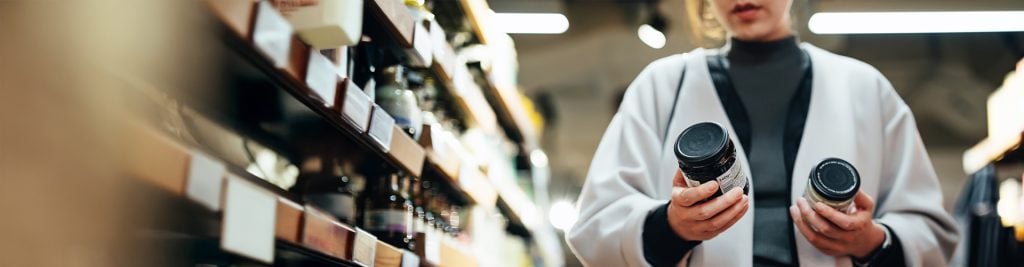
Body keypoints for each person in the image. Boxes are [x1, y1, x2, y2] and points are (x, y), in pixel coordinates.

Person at [566, 0, 959, 266]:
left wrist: (871, 241)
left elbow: (932, 231)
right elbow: (595, 224)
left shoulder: (865, 89)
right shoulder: (661, 87)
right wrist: (670, 227)